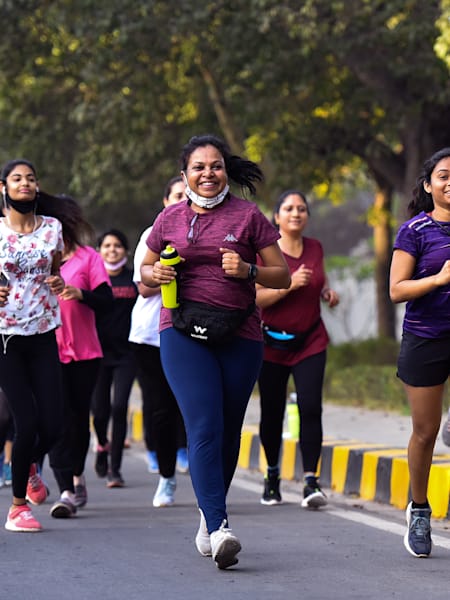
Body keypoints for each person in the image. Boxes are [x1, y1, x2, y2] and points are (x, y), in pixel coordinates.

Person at [140, 134, 290, 569]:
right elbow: (145, 277)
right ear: (185, 174)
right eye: (199, 167)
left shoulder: (248, 217)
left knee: (227, 429)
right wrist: (157, 270)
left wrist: (248, 270)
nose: (209, 173)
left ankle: (209, 516)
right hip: (181, 331)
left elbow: (280, 276)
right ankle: (221, 524)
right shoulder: (168, 219)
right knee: (204, 423)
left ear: (226, 170)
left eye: (216, 166)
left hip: (240, 333)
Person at [256, 190, 339, 508]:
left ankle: (310, 482)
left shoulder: (315, 247)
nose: (296, 213)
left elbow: (318, 280)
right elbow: (256, 298)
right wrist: (289, 284)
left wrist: (327, 292)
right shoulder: (265, 253)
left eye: (301, 208)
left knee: (311, 408)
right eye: (288, 208)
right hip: (271, 343)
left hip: (311, 340)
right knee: (272, 411)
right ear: (276, 216)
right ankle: (272, 476)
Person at [389, 147, 450, 558]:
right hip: (427, 337)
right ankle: (420, 509)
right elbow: (396, 290)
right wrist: (438, 280)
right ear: (429, 186)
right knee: (426, 432)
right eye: (444, 175)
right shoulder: (415, 230)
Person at [0, 159, 66, 532]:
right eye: (16, 178)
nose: (25, 183)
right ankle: (17, 508)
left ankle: (28, 467)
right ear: (3, 188)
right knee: (25, 420)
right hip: (6, 336)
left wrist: (58, 283)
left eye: (30, 178)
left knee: (54, 425)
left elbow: (54, 268)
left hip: (43, 331)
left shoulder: (52, 229)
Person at [47, 195, 113, 518]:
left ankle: (76, 473)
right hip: (47, 351)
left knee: (78, 419)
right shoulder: (38, 258)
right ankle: (66, 490)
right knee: (58, 419)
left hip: (86, 352)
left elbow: (106, 298)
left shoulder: (89, 259)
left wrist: (80, 294)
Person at [129, 176, 189, 508]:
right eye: (176, 196)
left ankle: (207, 483)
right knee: (162, 407)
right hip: (152, 335)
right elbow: (143, 285)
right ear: (165, 202)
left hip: (195, 332)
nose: (182, 200)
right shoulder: (153, 234)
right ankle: (166, 478)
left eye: (186, 195)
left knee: (195, 405)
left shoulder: (203, 231)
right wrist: (173, 270)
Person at [91, 229, 138, 488]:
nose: (112, 250)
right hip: (97, 353)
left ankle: (115, 469)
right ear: (99, 250)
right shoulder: (93, 281)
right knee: (99, 412)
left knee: (119, 407)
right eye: (107, 246)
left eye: (117, 246)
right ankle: (101, 443)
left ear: (125, 251)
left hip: (126, 354)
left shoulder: (133, 280)